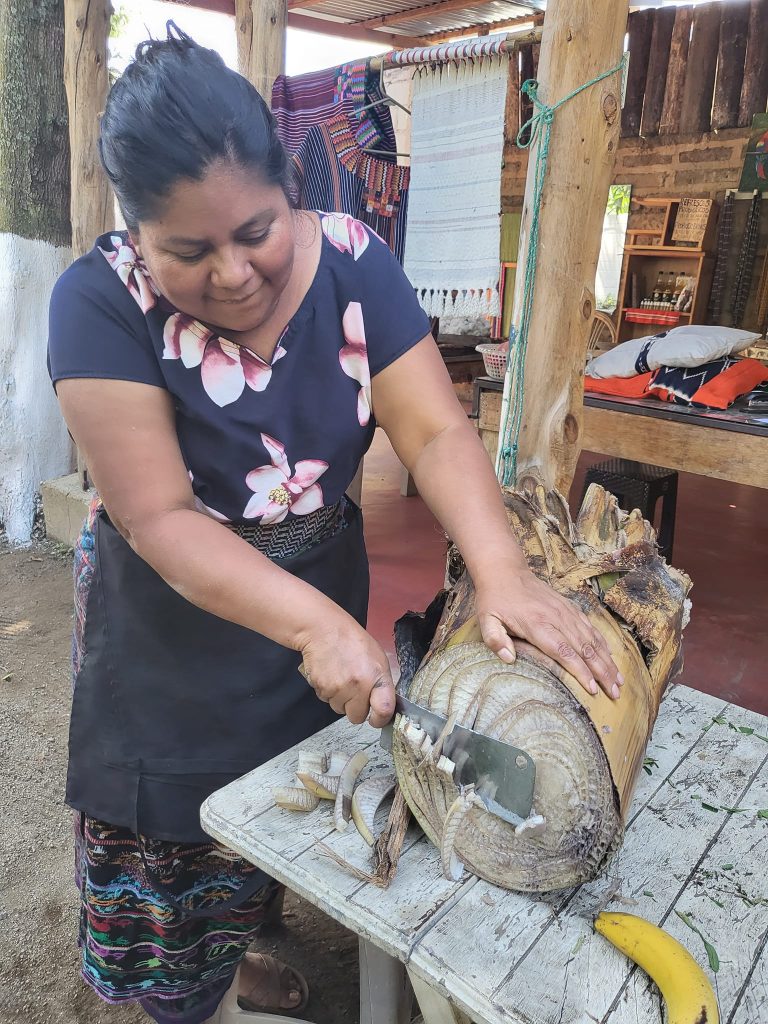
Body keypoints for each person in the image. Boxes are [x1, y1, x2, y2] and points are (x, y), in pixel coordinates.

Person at [48, 25, 622, 1024]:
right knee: (174, 826)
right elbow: (158, 515)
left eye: (256, 231)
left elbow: (436, 430)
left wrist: (502, 572)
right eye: (188, 251)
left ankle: (243, 950)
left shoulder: (356, 263)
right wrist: (315, 628)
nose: (231, 274)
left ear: (289, 186)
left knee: (289, 793)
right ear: (135, 234)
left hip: (321, 568)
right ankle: (200, 995)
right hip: (168, 623)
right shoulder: (96, 302)